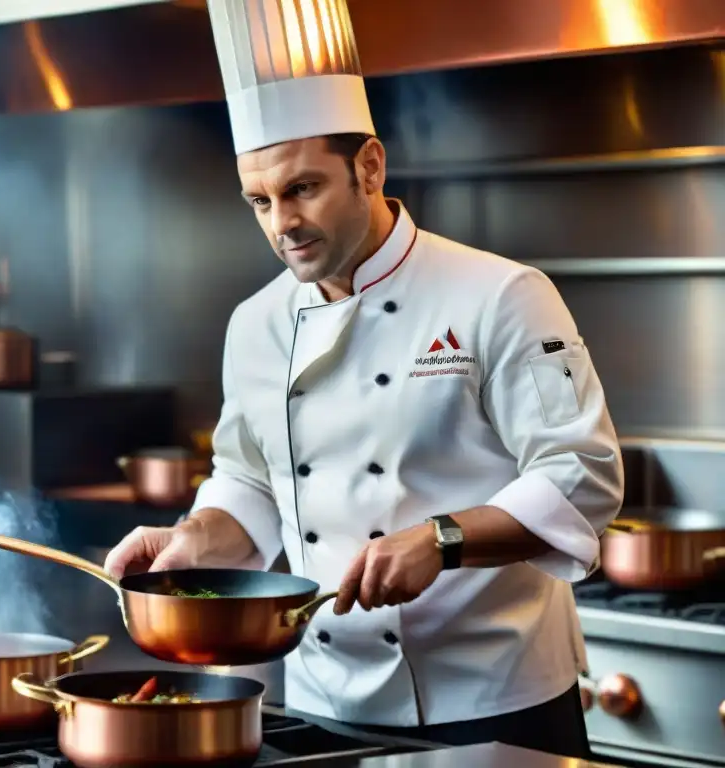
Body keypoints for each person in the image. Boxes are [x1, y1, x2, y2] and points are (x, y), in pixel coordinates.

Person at [105, 0, 624, 759]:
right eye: (260, 201)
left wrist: (440, 539)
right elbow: (250, 482)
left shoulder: (500, 293)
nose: (281, 222)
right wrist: (191, 541)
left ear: (370, 167)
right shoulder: (254, 323)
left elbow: (582, 475)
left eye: (302, 189)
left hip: (491, 700)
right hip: (323, 697)